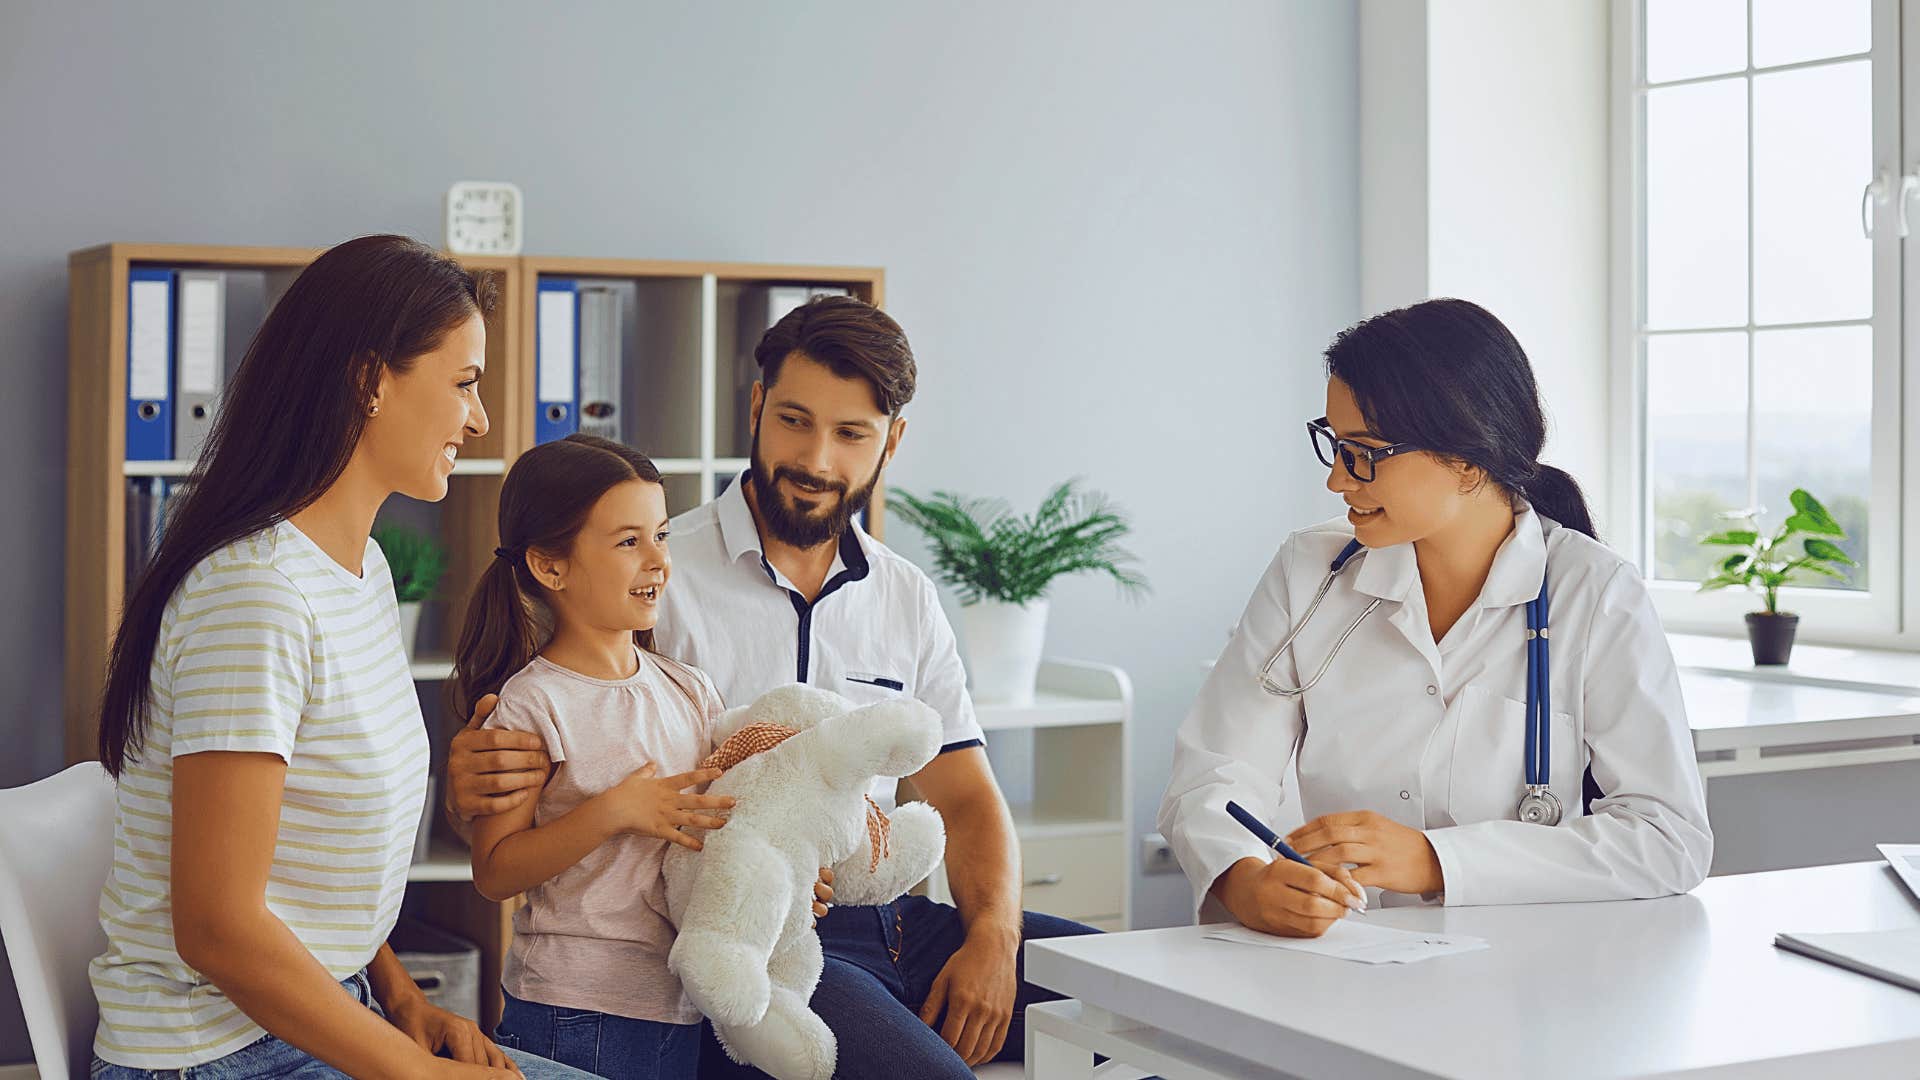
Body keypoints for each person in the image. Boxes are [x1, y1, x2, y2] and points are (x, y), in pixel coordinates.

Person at [446, 296, 1097, 1078]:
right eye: (794, 420)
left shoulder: (905, 595)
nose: (816, 459)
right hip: (768, 931)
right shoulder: (654, 576)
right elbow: (547, 742)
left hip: (900, 917)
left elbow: (963, 798)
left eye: (851, 433)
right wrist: (471, 784)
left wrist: (994, 936)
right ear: (756, 407)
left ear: (891, 441)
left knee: (1147, 1003)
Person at [88, 235, 590, 1079]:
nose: (482, 418)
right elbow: (217, 928)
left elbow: (311, 872)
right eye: (465, 383)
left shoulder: (359, 570)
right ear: (369, 382)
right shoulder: (254, 598)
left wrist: (405, 1002)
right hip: (217, 1059)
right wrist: (416, 1072)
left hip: (327, 1014)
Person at [1158, 298, 1713, 937]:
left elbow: (1668, 837)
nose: (1339, 481)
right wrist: (1243, 878)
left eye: (1364, 452)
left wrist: (1434, 861)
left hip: (1523, 978)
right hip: (1338, 961)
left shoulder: (1595, 593)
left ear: (1469, 461)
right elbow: (1214, 770)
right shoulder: (1309, 573)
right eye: (1335, 446)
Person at [453, 435, 740, 1078]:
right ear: (550, 568)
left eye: (661, 535)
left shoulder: (691, 689)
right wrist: (613, 812)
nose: (658, 562)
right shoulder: (533, 705)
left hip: (678, 1003)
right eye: (628, 541)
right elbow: (496, 872)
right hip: (572, 1009)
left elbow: (723, 821)